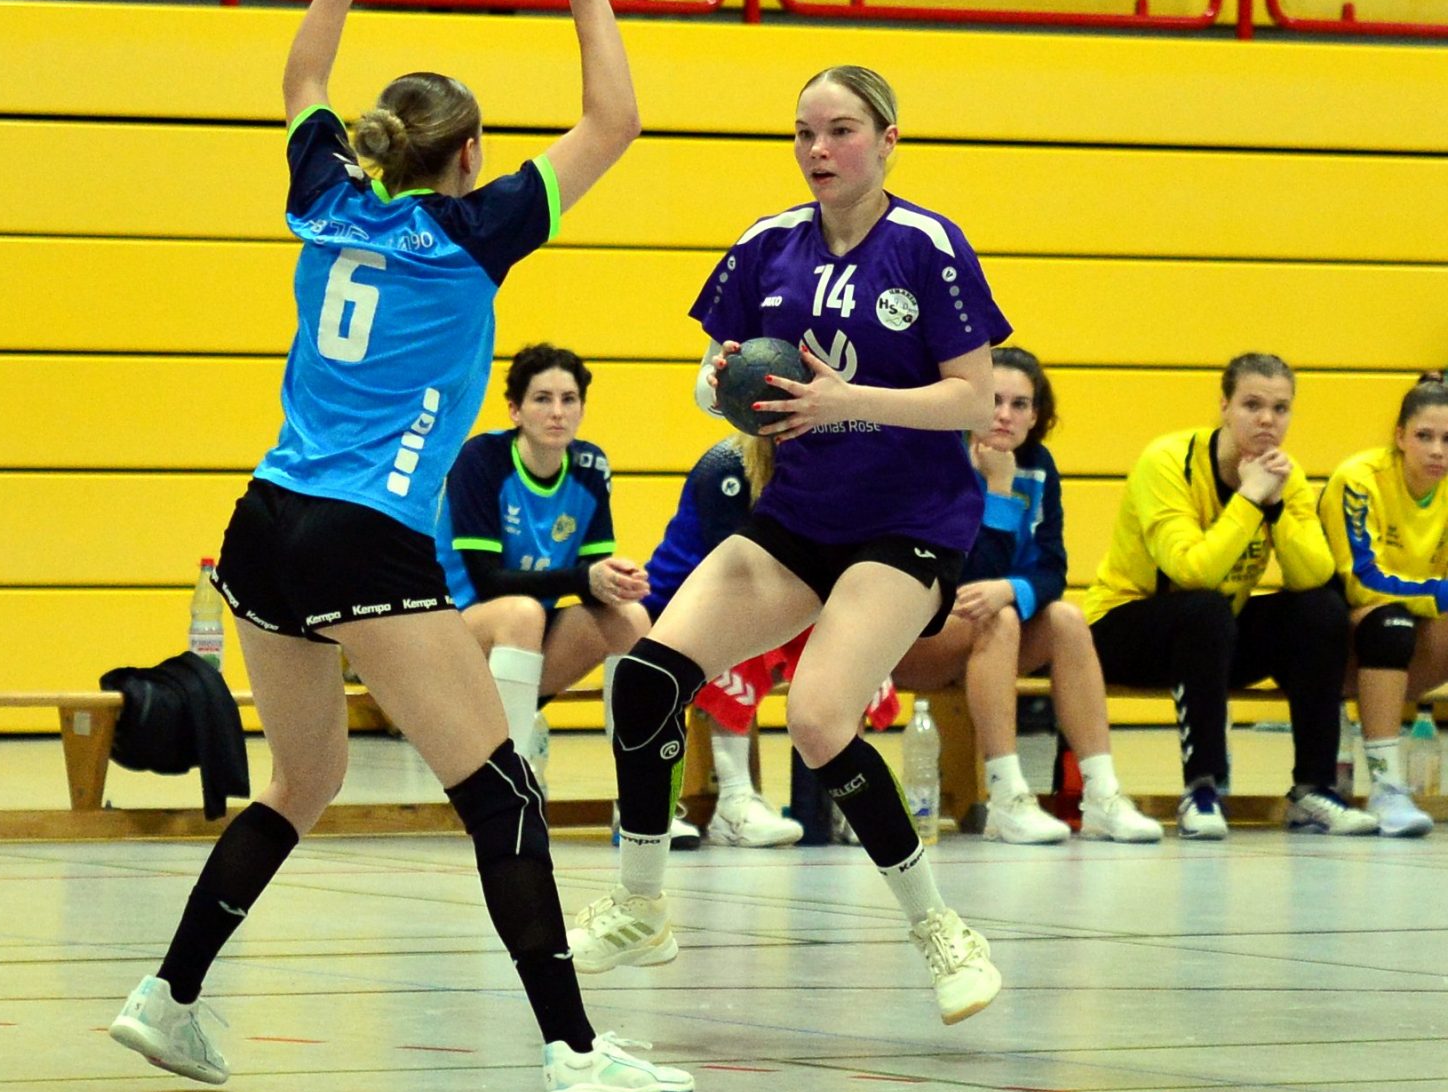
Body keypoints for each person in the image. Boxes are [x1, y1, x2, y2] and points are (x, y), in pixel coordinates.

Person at [109, 0, 692, 1092]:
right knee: (500, 791)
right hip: (363, 537)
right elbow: (612, 124)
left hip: (261, 524)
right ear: (470, 154)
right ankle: (575, 1053)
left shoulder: (324, 197)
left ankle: (168, 994)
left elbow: (301, 80)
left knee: (303, 780)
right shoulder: (476, 231)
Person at [574, 65, 1009, 1025]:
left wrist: (848, 400)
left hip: (908, 524)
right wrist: (722, 383)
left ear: (887, 139)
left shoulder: (927, 246)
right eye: (805, 132)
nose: (819, 149)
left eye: (841, 130)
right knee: (646, 678)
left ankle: (941, 929)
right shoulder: (767, 245)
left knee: (817, 719)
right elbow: (712, 376)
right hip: (799, 514)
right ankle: (642, 906)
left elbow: (975, 399)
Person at [1085, 355, 1373, 840]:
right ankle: (1202, 789)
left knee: (1320, 610)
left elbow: (1313, 574)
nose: (1267, 420)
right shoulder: (1167, 461)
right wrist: (1247, 500)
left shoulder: (1285, 475)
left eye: (1280, 409)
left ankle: (1313, 790)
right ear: (1224, 406)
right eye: (1252, 405)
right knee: (1206, 608)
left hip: (1213, 635)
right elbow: (1191, 570)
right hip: (1121, 630)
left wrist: (1275, 506)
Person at [894, 348, 1164, 844]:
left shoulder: (1038, 467)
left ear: (1036, 415)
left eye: (1019, 404)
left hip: (988, 635)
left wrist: (1009, 589)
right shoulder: (938, 457)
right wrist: (997, 491)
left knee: (1066, 620)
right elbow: (962, 576)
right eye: (993, 400)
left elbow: (1051, 568)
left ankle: (1102, 795)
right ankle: (1007, 798)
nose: (1004, 414)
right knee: (997, 617)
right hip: (916, 637)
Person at [432, 343, 648, 786]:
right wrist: (584, 578)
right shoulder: (481, 460)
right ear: (515, 410)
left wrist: (615, 582)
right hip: (454, 632)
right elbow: (487, 581)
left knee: (630, 618)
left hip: (528, 639)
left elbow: (591, 574)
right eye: (542, 399)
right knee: (522, 612)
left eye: (569, 400)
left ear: (582, 409)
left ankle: (638, 794)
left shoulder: (589, 466)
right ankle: (508, 780)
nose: (557, 413)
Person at [642, 433, 804, 846]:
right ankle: (734, 802)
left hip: (764, 596)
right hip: (675, 602)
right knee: (735, 623)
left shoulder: (814, 463)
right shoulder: (726, 465)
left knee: (840, 632)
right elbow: (735, 569)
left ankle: (838, 805)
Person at [1319, 379, 1448, 838]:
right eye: (1424, 436)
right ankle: (1387, 786)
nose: (1437, 451)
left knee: (1400, 625)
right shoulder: (1359, 479)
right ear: (1399, 436)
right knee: (1390, 624)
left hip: (1410, 634)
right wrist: (1439, 596)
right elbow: (1362, 580)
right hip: (1337, 633)